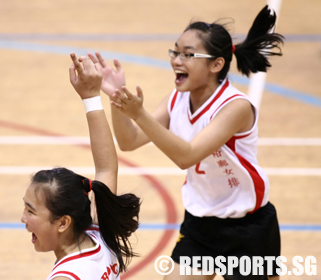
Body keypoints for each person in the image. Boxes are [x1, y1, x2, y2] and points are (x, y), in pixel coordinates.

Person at [89, 5, 284, 280]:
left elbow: (186, 156)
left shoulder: (235, 107)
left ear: (216, 64)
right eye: (176, 52)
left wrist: (139, 113)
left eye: (188, 55)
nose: (177, 60)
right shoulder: (178, 98)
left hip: (247, 229)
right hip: (200, 225)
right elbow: (129, 141)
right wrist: (117, 99)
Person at [20, 53, 140, 280]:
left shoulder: (67, 276)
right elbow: (106, 168)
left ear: (63, 222)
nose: (23, 219)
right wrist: (91, 97)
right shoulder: (99, 232)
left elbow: (106, 169)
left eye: (31, 211)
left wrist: (92, 96)